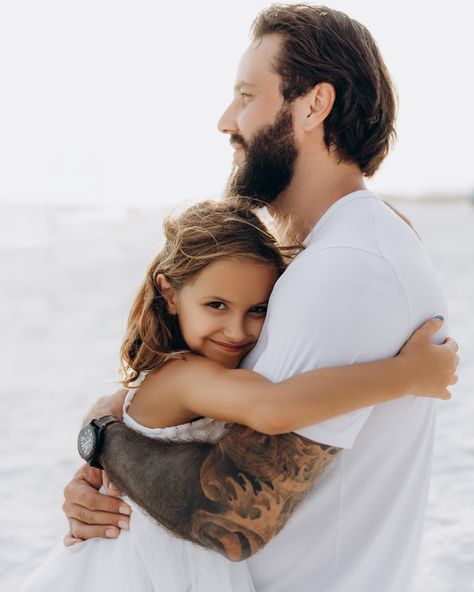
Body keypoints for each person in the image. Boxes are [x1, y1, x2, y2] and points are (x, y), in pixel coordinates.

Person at [62, 5, 460, 592]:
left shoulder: (346, 271)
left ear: (311, 105)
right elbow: (209, 410)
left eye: (247, 96)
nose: (227, 120)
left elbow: (230, 520)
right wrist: (105, 440)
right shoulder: (332, 254)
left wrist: (106, 439)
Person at [22, 199, 456, 592]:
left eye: (258, 309)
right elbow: (273, 407)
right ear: (170, 293)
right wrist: (406, 375)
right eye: (216, 306)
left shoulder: (188, 372)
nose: (237, 331)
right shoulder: (184, 376)